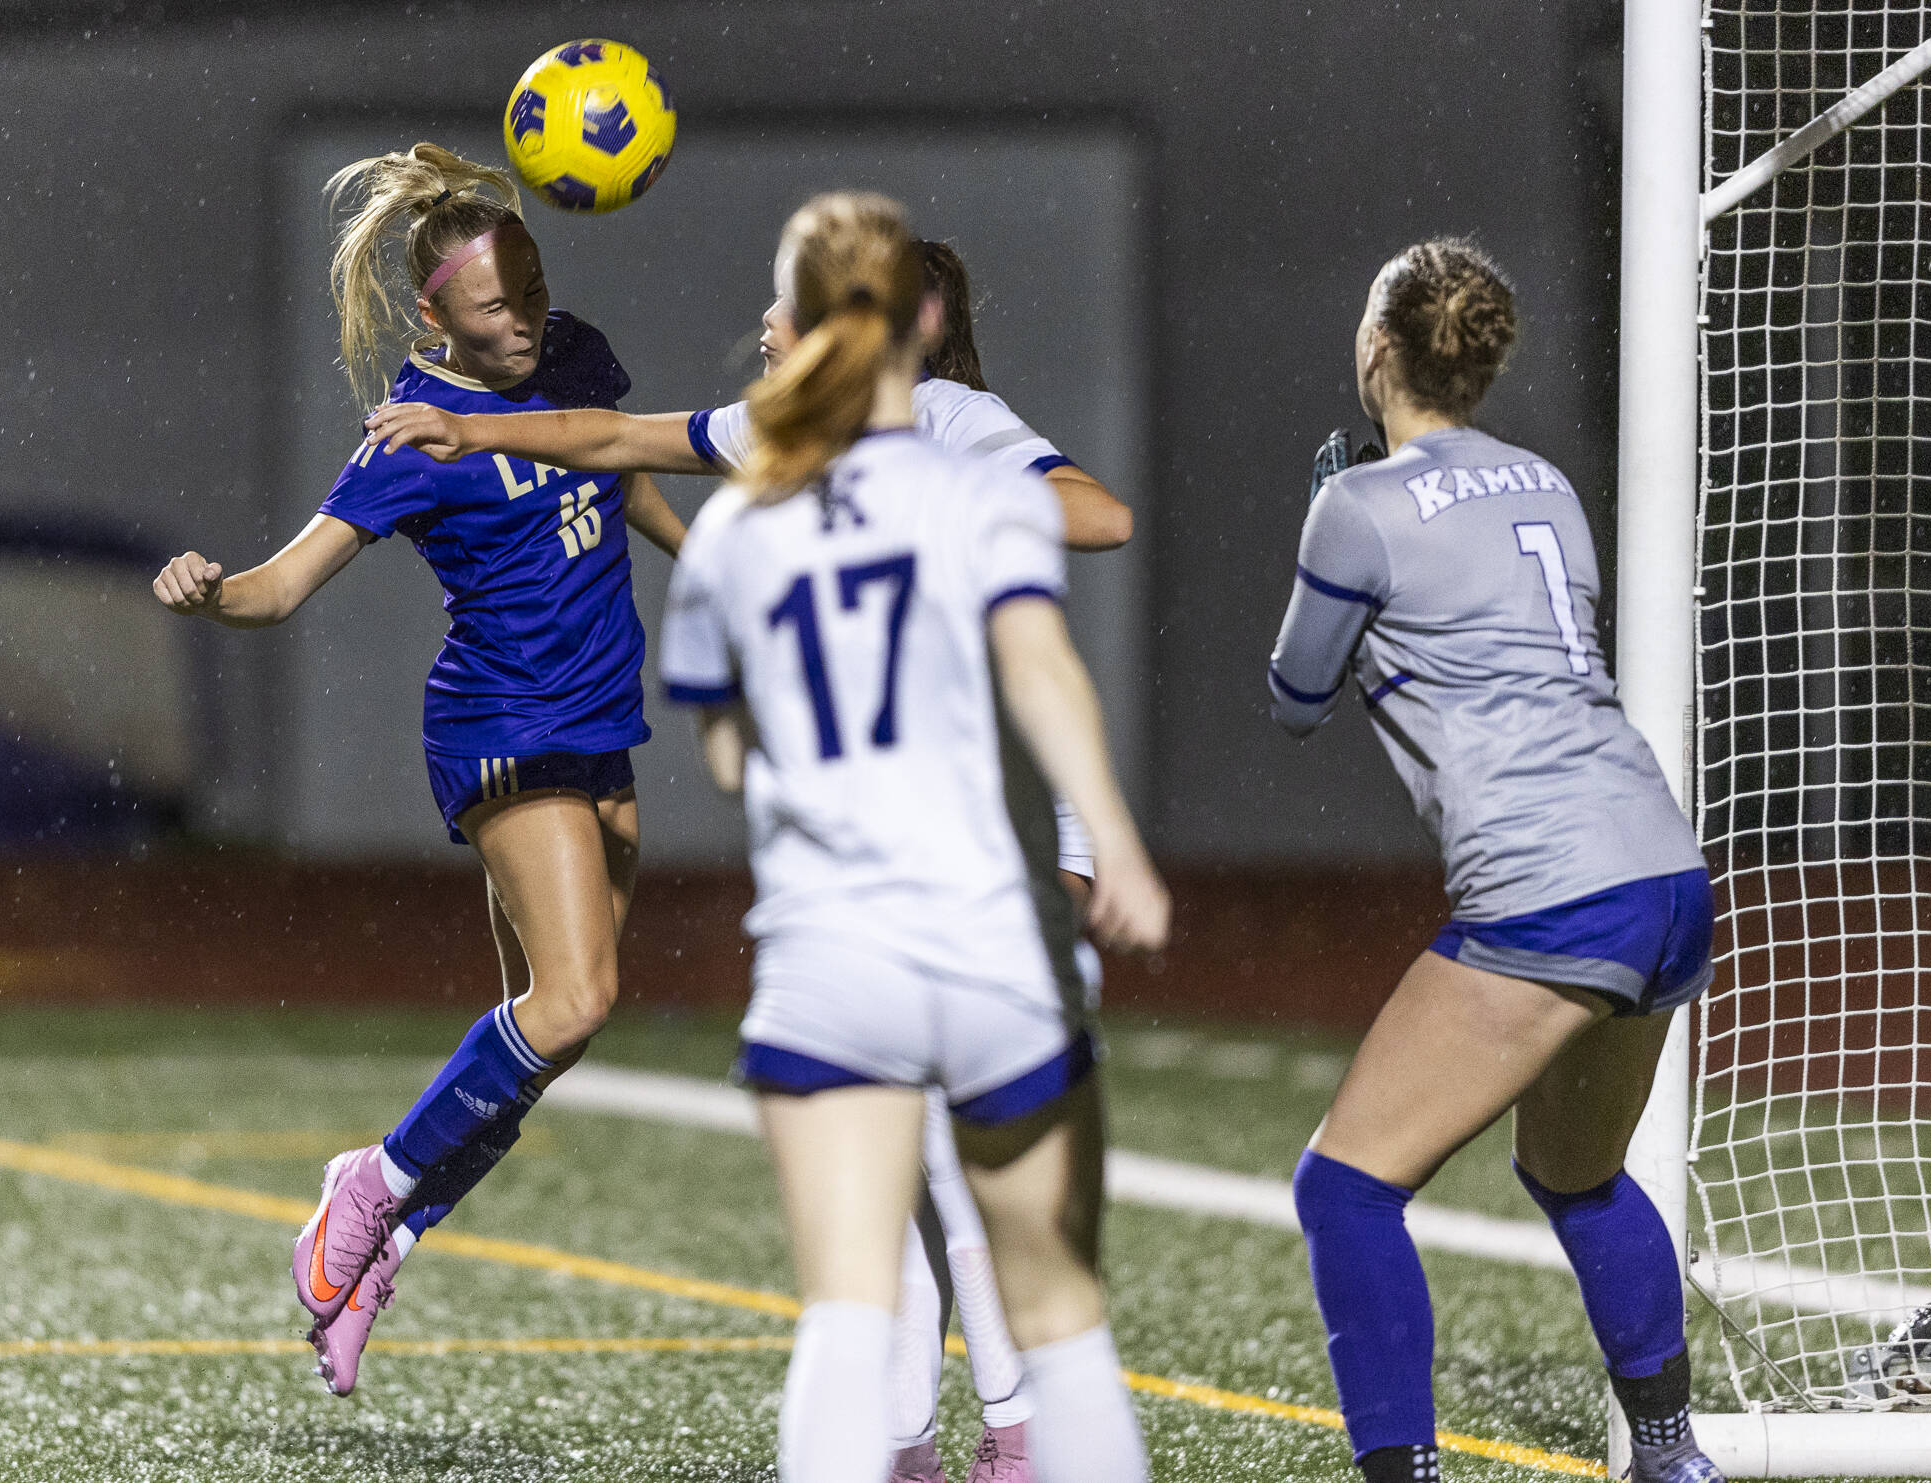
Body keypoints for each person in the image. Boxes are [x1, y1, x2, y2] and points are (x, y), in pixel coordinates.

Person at [366, 235, 1130, 1481]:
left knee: (929, 1128)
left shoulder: (938, 417)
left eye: (787, 304)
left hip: (1006, 820)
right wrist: (479, 433)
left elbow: (1098, 513)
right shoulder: (792, 436)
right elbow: (615, 440)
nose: (765, 320)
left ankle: (1014, 1430)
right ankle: (909, 1449)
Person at [149, 143, 687, 1398]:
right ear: (433, 312)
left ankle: (385, 1241)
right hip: (504, 726)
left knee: (544, 1038)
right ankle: (372, 1185)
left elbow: (623, 473)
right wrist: (208, 590)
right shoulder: (408, 435)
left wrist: (715, 564)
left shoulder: (572, 360)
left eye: (536, 296)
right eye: (498, 309)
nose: (526, 324)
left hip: (604, 721)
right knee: (575, 1001)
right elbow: (279, 589)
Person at [658, 190, 1169, 1483]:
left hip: (835, 948)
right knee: (1057, 1317)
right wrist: (1117, 840)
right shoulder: (974, 491)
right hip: (987, 928)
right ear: (925, 318)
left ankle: (904, 1454)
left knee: (847, 1308)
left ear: (798, 320)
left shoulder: (736, 525)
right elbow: (1043, 672)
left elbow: (726, 748)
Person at [1265, 238, 1725, 1483]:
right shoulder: (1545, 482)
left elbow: (1296, 695)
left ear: (1377, 349)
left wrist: (1335, 555)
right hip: (1660, 866)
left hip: (1544, 885)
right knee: (1573, 1177)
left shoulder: (1351, 505)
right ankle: (1674, 1460)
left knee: (1344, 1189)